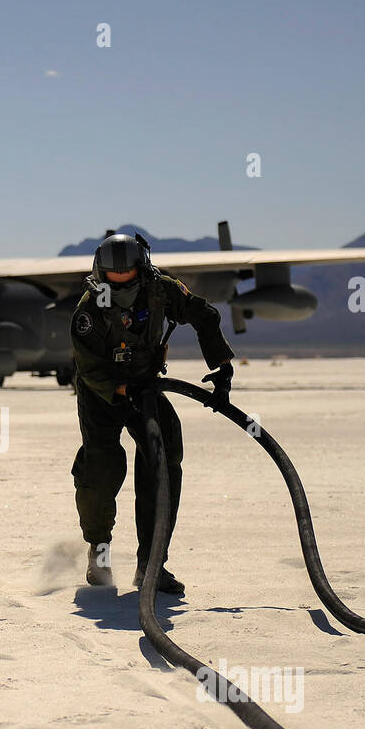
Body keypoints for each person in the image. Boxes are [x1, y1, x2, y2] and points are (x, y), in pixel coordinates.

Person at [70, 232, 235, 595]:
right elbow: (89, 368)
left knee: (164, 461)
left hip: (146, 387)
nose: (120, 285)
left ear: (141, 270)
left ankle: (152, 564)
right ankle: (98, 553)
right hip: (103, 394)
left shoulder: (162, 289)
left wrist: (222, 365)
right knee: (101, 468)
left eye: (127, 278)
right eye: (113, 279)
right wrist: (120, 390)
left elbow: (204, 316)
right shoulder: (89, 307)